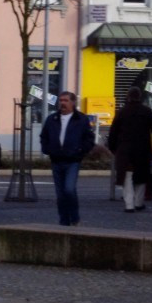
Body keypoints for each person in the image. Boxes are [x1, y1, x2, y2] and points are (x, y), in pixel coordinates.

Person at [107, 88, 152, 213]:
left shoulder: (122, 112)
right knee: (141, 176)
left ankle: (129, 204)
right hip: (142, 148)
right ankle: (138, 202)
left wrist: (113, 147)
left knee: (127, 176)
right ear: (140, 97)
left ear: (128, 97)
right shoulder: (147, 112)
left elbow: (113, 132)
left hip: (125, 149)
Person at [39, 91, 95, 227]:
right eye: (61, 100)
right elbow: (44, 136)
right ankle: (64, 221)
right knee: (60, 194)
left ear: (73, 102)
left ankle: (75, 218)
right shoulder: (52, 119)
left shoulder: (80, 119)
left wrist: (81, 150)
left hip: (72, 160)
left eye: (65, 100)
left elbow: (89, 138)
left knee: (69, 189)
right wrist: (47, 149)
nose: (62, 103)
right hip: (56, 160)